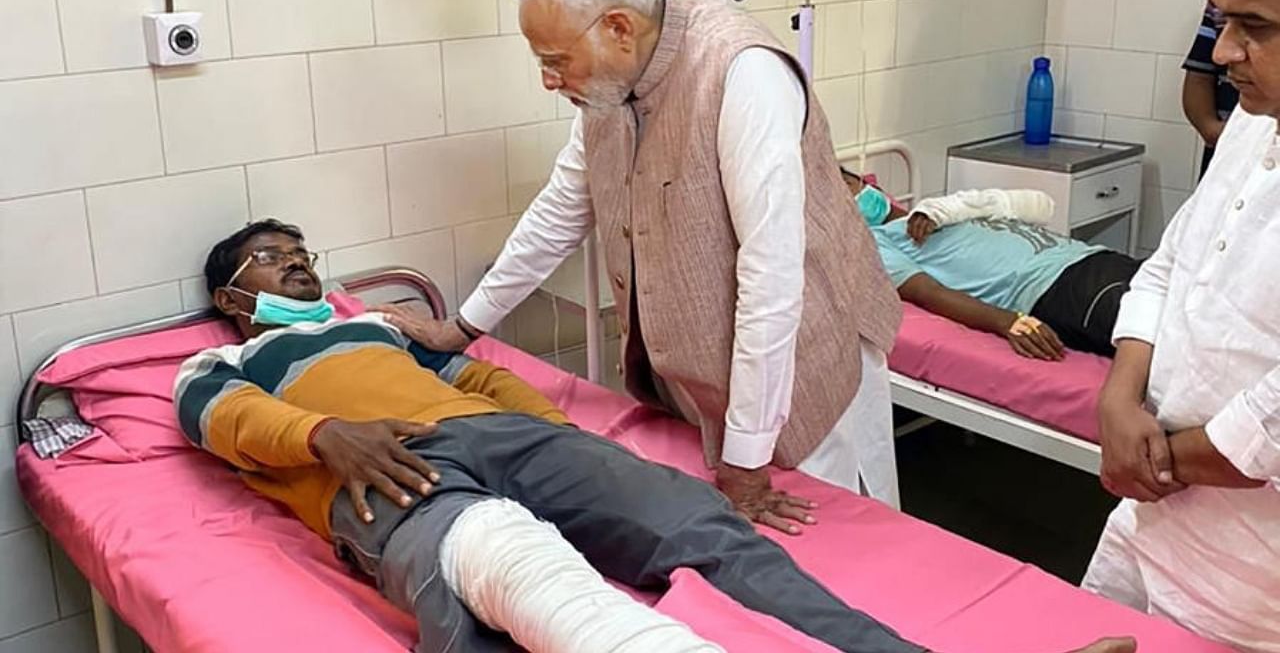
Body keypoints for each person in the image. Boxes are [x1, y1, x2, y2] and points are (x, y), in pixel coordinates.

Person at [174, 219, 1133, 653]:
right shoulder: (217, 364)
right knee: (483, 596)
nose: (301, 271)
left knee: (706, 527)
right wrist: (325, 434)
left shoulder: (381, 327)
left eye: (305, 257)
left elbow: (476, 371)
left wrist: (553, 440)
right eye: (276, 261)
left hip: (496, 436)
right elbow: (223, 422)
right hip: (387, 473)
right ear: (233, 296)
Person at [377, 0, 904, 536]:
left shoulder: (742, 74)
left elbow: (773, 277)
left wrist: (747, 459)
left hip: (809, 366)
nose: (549, 80)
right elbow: (561, 210)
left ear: (619, 29)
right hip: (710, 380)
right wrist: (464, 325)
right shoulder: (607, 89)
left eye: (554, 60)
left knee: (837, 542)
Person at [1083, 0, 1280, 650]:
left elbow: (1270, 425)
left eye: (1253, 28)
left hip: (1253, 590)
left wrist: (1155, 457)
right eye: (1222, 21)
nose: (1223, 53)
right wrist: (1118, 393)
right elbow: (1170, 263)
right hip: (1148, 528)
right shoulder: (1250, 127)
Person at [844, 172, 1140, 360]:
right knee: (1165, 334)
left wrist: (940, 211)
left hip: (1093, 257)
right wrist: (1007, 321)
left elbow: (1039, 205)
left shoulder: (944, 207)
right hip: (1050, 289)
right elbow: (928, 293)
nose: (849, 195)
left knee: (1183, 296)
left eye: (847, 183)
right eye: (838, 196)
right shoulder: (874, 243)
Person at [1183, 0, 1240, 178]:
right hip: (1226, 151)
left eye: (1255, 26)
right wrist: (1213, 130)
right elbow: (1200, 73)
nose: (1222, 54)